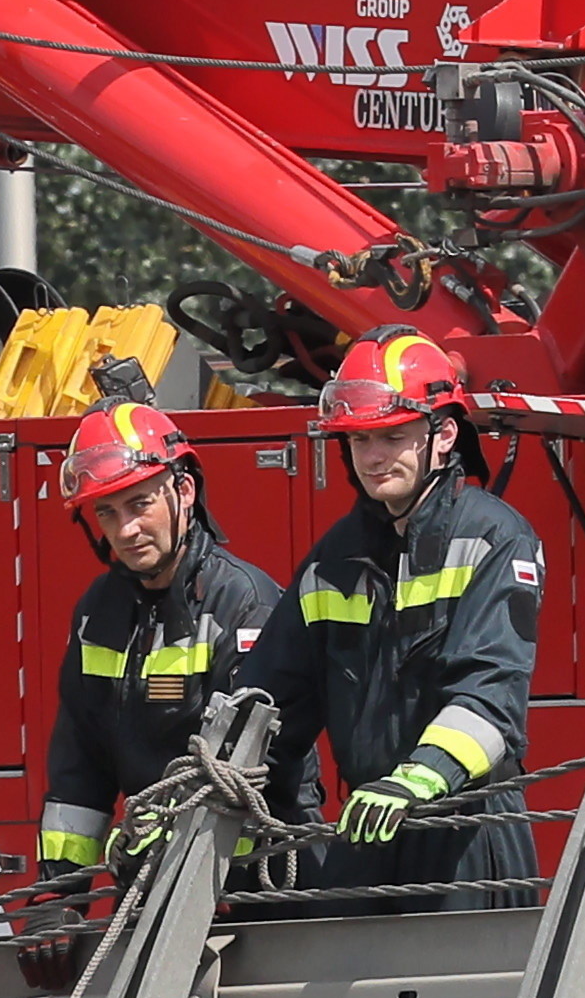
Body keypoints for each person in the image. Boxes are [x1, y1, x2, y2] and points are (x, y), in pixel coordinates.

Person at [279, 327, 539, 895]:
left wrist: (417, 779)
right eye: (358, 440)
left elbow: (491, 695)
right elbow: (273, 696)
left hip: (468, 831)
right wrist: (203, 788)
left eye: (392, 436)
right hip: (370, 828)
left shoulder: (494, 536)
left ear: (442, 434)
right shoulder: (334, 557)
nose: (373, 458)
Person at [30, 400, 293, 893]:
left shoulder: (244, 604)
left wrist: (148, 844)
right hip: (152, 882)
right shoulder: (98, 613)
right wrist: (57, 896)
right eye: (107, 512)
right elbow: (79, 768)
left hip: (252, 886)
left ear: (184, 491)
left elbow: (248, 769)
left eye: (140, 504)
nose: (125, 530)